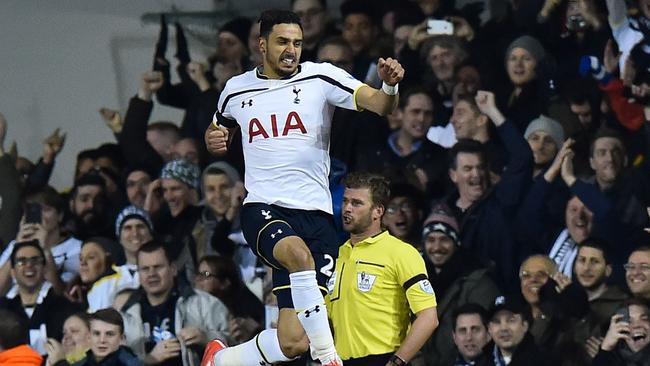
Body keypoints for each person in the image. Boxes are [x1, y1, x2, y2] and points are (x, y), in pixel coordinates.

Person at [203, 9, 404, 366]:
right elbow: (218, 129)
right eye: (282, 42)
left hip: (317, 216)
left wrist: (389, 84)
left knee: (294, 341)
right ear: (262, 45)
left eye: (297, 42)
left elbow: (381, 105)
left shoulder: (322, 77)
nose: (291, 50)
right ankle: (329, 359)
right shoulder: (236, 89)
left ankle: (222, 361)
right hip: (264, 208)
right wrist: (213, 139)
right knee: (298, 257)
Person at [328, 172, 438, 365]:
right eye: (345, 201)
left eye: (356, 203)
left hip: (384, 359)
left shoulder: (401, 253)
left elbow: (429, 317)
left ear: (378, 211)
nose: (347, 208)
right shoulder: (337, 256)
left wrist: (396, 362)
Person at [121, 241, 229, 366]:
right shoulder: (126, 316)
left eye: (158, 267)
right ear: (138, 274)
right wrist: (148, 360)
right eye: (145, 269)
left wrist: (206, 338)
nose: (151, 274)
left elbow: (235, 346)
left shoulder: (206, 304)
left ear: (173, 269)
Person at [419, 206, 499, 366]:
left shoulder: (478, 282)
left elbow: (480, 336)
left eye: (444, 240)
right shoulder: (417, 281)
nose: (436, 247)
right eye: (431, 240)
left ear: (456, 243)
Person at [0, 241, 81, 355]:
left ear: (44, 268)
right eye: (21, 261)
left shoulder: (65, 307)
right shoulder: (2, 308)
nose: (29, 265)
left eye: (35, 260)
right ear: (12, 272)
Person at [86, 206, 154, 312]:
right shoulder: (104, 283)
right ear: (119, 238)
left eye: (140, 226)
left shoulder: (163, 274)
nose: (135, 233)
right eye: (128, 228)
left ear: (151, 234)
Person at [51, 309, 142, 366]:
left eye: (109, 334)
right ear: (89, 337)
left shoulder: (131, 363)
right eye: (97, 334)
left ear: (122, 339)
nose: (102, 340)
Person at [476, 295, 547, 366]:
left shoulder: (545, 360)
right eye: (497, 322)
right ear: (489, 329)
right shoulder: (481, 362)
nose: (503, 328)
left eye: (511, 320)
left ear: (525, 326)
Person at [593, 298, 650, 365]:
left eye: (644, 319)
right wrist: (606, 348)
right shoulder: (613, 358)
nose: (636, 325)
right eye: (629, 321)